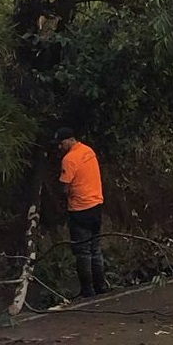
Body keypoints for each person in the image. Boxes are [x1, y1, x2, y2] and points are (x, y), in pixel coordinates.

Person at [55, 127, 109, 299]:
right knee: (96, 248)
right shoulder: (88, 151)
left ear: (69, 140)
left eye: (60, 144)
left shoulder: (69, 159)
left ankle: (87, 289)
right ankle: (100, 285)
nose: (59, 147)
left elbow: (65, 187)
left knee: (82, 251)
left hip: (80, 209)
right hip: (96, 205)